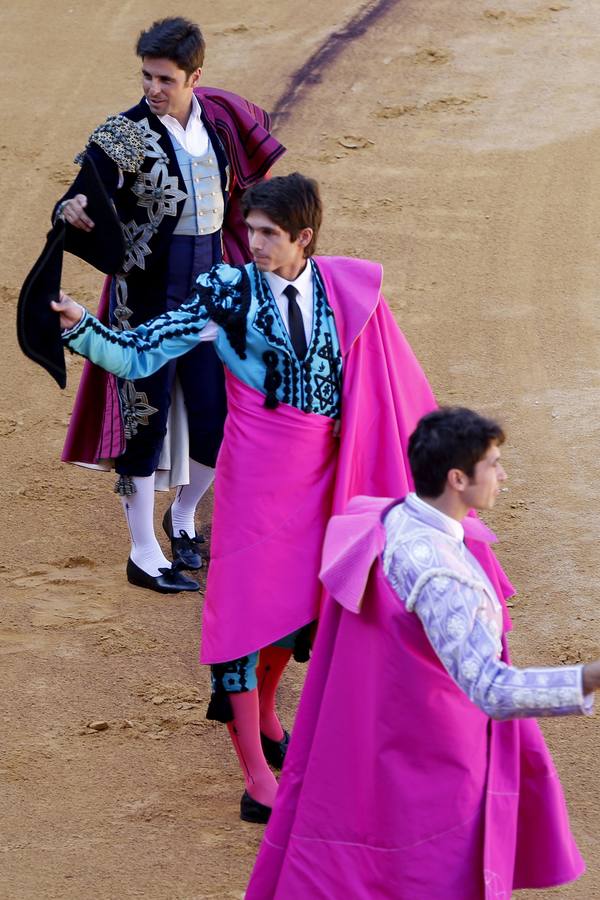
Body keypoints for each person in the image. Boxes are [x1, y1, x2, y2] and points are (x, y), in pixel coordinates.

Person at [52, 174, 512, 823]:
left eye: (269, 234)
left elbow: (385, 383)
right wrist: (82, 329)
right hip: (256, 476)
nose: (255, 244)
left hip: (325, 469)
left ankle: (267, 711)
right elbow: (142, 351)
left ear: (304, 238)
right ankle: (255, 776)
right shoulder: (227, 291)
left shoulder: (344, 290)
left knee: (303, 611)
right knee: (245, 615)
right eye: (251, 232)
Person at [245, 407, 597, 898]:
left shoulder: (394, 516)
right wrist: (591, 676)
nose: (503, 474)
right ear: (457, 478)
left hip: (394, 735)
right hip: (438, 758)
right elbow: (492, 690)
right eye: (493, 463)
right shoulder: (442, 574)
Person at [55, 16, 284, 593]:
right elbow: (79, 192)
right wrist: (73, 210)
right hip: (147, 304)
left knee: (218, 423)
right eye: (147, 77)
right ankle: (142, 551)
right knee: (142, 425)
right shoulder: (123, 135)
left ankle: (182, 518)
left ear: (194, 77)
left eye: (165, 79)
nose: (152, 89)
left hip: (209, 302)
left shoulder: (220, 123)